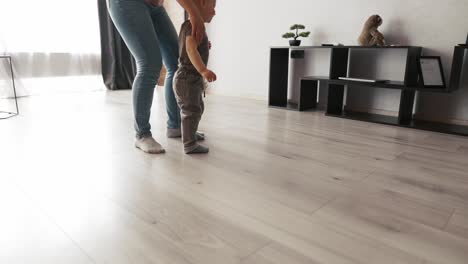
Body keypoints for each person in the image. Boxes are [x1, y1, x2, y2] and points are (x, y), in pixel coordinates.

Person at [107, 0, 206, 154]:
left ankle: (175, 126)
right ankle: (142, 134)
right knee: (149, 64)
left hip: (155, 5)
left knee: (177, 62)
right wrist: (195, 13)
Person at [173, 0, 216, 154]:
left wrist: (204, 44)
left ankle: (191, 133)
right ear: (202, 3)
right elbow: (190, 50)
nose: (214, 12)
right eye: (213, 7)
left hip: (191, 79)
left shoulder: (195, 27)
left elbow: (192, 46)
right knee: (191, 111)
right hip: (187, 78)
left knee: (197, 108)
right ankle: (189, 144)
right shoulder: (192, 25)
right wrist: (203, 70)